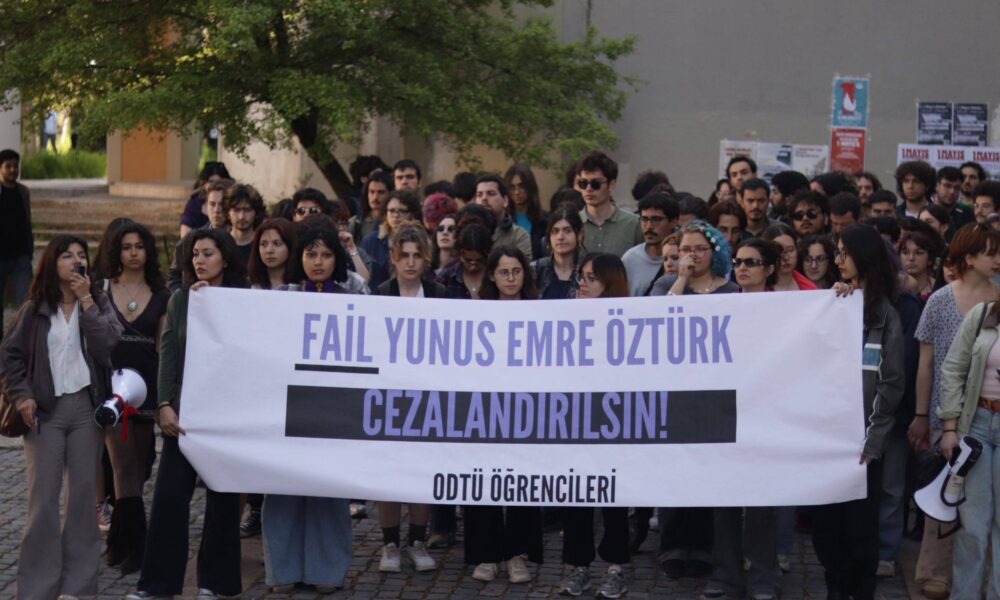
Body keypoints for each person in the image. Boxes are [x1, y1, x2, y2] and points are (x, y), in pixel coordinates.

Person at [0, 235, 122, 600]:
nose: (75, 261)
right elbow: (10, 357)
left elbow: (106, 345)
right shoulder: (35, 308)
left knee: (82, 499)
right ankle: (37, 589)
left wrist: (87, 301)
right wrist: (22, 396)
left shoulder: (97, 301)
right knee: (43, 501)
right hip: (44, 412)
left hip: (85, 409)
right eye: (66, 255)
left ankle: (78, 588)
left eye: (81, 255)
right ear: (52, 263)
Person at [129, 229, 247, 600]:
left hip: (226, 416)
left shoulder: (244, 301)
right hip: (184, 415)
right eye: (195, 254)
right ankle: (158, 585)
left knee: (223, 501)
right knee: (168, 498)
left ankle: (217, 583)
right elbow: (168, 354)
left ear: (225, 258)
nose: (199, 260)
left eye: (208, 253)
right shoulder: (181, 299)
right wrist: (164, 404)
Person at [908, 223, 1000, 600]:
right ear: (969, 257)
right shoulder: (945, 301)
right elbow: (932, 365)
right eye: (991, 252)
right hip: (957, 417)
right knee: (955, 506)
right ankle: (939, 577)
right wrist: (928, 417)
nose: (997, 260)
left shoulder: (996, 297)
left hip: (979, 415)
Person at [813, 224, 904, 600]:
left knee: (861, 530)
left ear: (865, 257)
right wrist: (835, 303)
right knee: (825, 527)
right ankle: (835, 587)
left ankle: (859, 591)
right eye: (837, 252)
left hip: (864, 444)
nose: (838, 260)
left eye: (845, 252)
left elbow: (891, 384)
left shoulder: (886, 316)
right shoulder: (834, 302)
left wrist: (874, 441)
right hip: (826, 440)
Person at [261, 227, 354, 594]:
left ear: (336, 258)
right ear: (299, 257)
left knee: (328, 487)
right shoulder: (280, 298)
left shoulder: (353, 299)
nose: (318, 262)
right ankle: (282, 569)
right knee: (282, 485)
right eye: (311, 254)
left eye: (326, 255)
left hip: (333, 407)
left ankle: (326, 568)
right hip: (286, 403)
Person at [702, 237, 780, 600]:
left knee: (762, 502)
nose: (742, 268)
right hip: (724, 411)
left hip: (767, 413)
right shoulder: (720, 305)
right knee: (725, 500)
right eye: (737, 262)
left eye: (751, 262)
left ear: (770, 269)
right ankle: (725, 576)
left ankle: (764, 577)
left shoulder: (789, 309)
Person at [464, 246, 544, 583]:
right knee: (483, 480)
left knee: (523, 483)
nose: (510, 278)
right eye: (503, 272)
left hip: (527, 408)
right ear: (492, 277)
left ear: (525, 273)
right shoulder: (477, 314)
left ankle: (518, 554)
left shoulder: (542, 312)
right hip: (485, 408)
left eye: (516, 271)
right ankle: (486, 553)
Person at [371, 224, 443, 574]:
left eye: (417, 255)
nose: (411, 262)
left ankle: (417, 540)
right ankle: (390, 543)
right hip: (389, 395)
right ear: (394, 258)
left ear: (426, 258)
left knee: (421, 471)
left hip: (429, 396)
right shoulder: (380, 295)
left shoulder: (440, 295)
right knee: (388, 472)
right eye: (404, 256)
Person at [100, 222, 171, 575]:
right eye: (126, 247)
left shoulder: (162, 294)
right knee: (122, 465)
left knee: (140, 466)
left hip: (146, 386)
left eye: (139, 246)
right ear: (117, 251)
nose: (132, 253)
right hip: (111, 388)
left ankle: (121, 538)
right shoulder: (102, 290)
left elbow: (164, 345)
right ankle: (132, 548)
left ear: (148, 251)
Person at [559, 252, 631, 599]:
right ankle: (579, 567)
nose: (583, 284)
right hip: (574, 418)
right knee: (576, 496)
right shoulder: (566, 317)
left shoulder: (627, 321)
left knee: (614, 498)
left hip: (612, 421)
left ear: (610, 283)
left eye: (592, 278)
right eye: (581, 277)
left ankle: (617, 567)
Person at [938, 295, 1000, 600]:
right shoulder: (983, 314)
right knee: (972, 523)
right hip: (976, 423)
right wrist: (949, 427)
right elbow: (953, 369)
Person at [168, 178, 234, 291]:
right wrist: (186, 295)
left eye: (222, 204)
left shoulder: (239, 239)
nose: (216, 210)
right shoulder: (191, 239)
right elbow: (174, 276)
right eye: (212, 204)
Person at [573, 151, 642, 257]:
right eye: (583, 183)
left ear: (612, 185)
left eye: (595, 184)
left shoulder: (632, 224)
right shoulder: (572, 223)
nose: (588, 189)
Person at [0, 148, 33, 343]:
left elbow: (27, 221)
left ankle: (22, 340)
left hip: (21, 256)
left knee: (26, 301)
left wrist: (29, 250)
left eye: (15, 166)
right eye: (8, 166)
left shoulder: (23, 192)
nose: (13, 170)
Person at [361, 190, 422, 290]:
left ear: (412, 214)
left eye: (402, 211)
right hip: (377, 294)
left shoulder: (421, 241)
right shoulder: (371, 240)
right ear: (385, 213)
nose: (396, 215)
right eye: (392, 211)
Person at [622, 193, 679, 296]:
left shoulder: (684, 255)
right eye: (644, 219)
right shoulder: (630, 258)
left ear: (673, 222)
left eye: (656, 219)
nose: (649, 226)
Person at [475, 173, 533, 259]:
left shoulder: (519, 236)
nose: (484, 198)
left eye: (491, 193)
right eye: (479, 195)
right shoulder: (466, 232)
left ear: (505, 201)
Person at [532, 206, 583, 300]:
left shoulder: (587, 272)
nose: (560, 237)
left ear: (579, 235)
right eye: (555, 231)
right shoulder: (535, 270)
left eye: (567, 231)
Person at [435, 221, 493, 299]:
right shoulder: (447, 276)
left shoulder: (495, 275)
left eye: (479, 261)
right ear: (460, 254)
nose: (473, 266)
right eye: (468, 260)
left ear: (487, 254)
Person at [505, 164, 548, 259]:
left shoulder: (544, 221)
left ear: (530, 187)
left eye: (521, 186)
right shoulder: (503, 219)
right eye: (512, 187)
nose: (517, 192)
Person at [179, 162, 230, 237]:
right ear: (204, 183)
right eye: (211, 181)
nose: (216, 210)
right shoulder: (194, 205)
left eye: (219, 182)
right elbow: (185, 234)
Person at [761, 224, 817, 291]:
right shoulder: (757, 287)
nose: (786, 258)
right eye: (779, 251)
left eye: (790, 250)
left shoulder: (809, 288)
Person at [248, 218, 298, 290]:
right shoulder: (247, 285)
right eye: (264, 244)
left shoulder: (302, 286)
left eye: (277, 244)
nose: (269, 250)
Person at [225, 183, 266, 267]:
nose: (241, 216)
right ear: (228, 213)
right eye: (236, 210)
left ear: (256, 213)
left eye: (247, 210)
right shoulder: (221, 244)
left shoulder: (262, 244)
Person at [899, 229, 945, 302]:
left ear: (930, 259)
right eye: (905, 252)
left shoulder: (940, 290)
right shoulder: (894, 289)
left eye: (919, 252)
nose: (911, 258)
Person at [933, 166, 975, 241]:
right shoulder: (926, 212)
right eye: (947, 186)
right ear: (937, 186)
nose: (952, 191)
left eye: (957, 188)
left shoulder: (967, 213)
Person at [350, 170, 392, 243]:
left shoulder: (395, 220)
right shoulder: (356, 222)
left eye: (381, 192)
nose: (375, 197)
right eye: (372, 192)